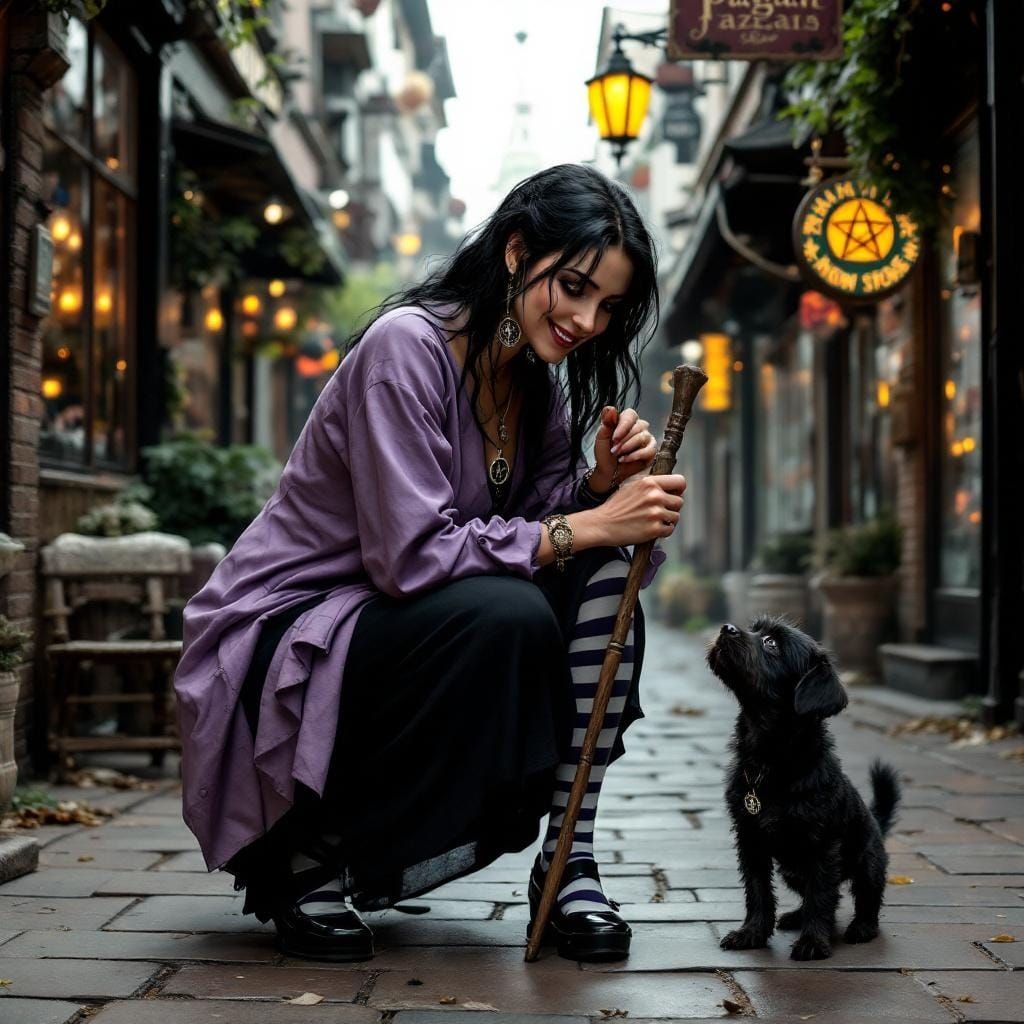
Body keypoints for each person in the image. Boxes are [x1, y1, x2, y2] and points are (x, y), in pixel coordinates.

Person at [174, 164, 687, 965]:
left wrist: (598, 488)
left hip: (395, 621)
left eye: (609, 306)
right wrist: (588, 522)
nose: (588, 320)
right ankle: (309, 845)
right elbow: (410, 557)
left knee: (606, 581)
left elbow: (541, 529)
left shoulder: (532, 385)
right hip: (290, 628)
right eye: (575, 287)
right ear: (517, 252)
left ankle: (569, 862)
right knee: (511, 612)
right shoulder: (405, 348)